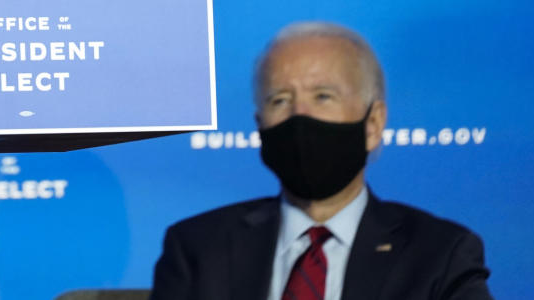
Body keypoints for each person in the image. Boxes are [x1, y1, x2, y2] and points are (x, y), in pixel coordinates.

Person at [150, 22, 492, 300]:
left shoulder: (439, 255)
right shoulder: (197, 249)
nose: (300, 116)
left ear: (373, 125)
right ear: (260, 127)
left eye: (323, 97)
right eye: (280, 100)